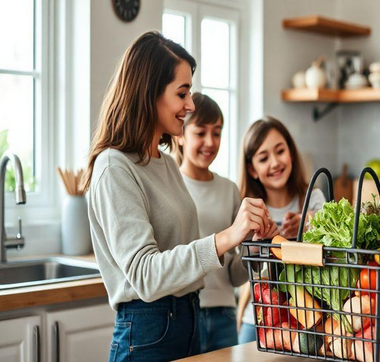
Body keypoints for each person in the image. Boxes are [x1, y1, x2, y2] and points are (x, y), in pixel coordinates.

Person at [83, 31, 277, 361]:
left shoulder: (165, 165)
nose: (190, 105)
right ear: (149, 92)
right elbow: (145, 275)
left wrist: (257, 244)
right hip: (147, 330)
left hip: (190, 319)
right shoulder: (113, 166)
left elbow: (214, 267)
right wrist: (226, 236)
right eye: (182, 93)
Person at [235, 116, 326, 344]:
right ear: (252, 169)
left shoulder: (312, 198)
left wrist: (309, 223)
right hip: (259, 317)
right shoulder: (248, 209)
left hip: (309, 318)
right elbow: (245, 268)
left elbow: (330, 250)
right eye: (263, 158)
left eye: (280, 151)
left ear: (291, 153)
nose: (275, 163)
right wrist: (263, 242)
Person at [172, 92, 247, 352]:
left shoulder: (229, 190)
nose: (210, 142)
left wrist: (259, 248)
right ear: (180, 134)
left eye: (216, 132)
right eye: (200, 132)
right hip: (183, 315)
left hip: (225, 313)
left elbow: (236, 275)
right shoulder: (170, 187)